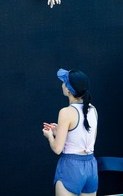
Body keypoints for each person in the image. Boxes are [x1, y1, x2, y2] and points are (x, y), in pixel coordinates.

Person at [42, 68, 98, 196]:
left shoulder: (66, 112)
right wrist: (61, 131)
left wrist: (50, 136)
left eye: (63, 82)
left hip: (71, 167)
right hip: (91, 167)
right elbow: (87, 141)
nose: (62, 84)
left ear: (68, 89)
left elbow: (57, 148)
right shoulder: (93, 110)